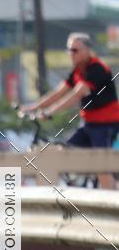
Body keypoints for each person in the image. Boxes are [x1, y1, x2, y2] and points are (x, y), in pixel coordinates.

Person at [21, 32, 119, 187]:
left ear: (87, 50)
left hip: (106, 124)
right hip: (88, 124)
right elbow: (58, 93)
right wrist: (33, 107)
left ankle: (112, 203)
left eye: (75, 50)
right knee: (64, 153)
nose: (71, 54)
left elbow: (76, 94)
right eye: (69, 50)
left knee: (102, 165)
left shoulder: (96, 69)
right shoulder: (76, 72)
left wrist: (49, 112)